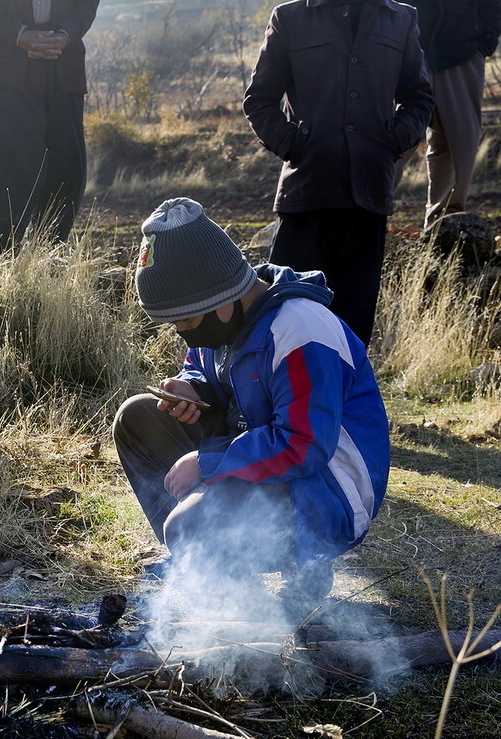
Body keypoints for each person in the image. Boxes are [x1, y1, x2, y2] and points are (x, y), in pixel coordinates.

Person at [114, 198, 390, 605]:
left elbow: (304, 446)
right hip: (261, 458)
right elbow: (206, 368)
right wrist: (194, 388)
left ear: (224, 297)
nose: (182, 333)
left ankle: (300, 563)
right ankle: (209, 565)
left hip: (324, 488)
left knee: (189, 528)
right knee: (136, 418)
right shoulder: (223, 317)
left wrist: (206, 463)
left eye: (186, 321)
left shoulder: (300, 330)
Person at [243, 0, 433, 346]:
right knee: (283, 321)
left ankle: (346, 401)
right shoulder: (291, 17)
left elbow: (419, 98)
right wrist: (295, 144)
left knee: (352, 329)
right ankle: (284, 400)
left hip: (369, 194)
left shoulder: (400, 18)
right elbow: (258, 99)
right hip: (306, 192)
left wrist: (391, 142)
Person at [0, 0, 99, 257]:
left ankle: (52, 250)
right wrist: (20, 36)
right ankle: (3, 249)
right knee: (6, 158)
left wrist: (64, 36)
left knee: (66, 160)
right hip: (4, 65)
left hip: (63, 61)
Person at [402, 0, 501, 226]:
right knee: (393, 139)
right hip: (409, 48)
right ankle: (369, 217)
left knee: (458, 144)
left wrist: (485, 41)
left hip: (462, 51)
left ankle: (444, 228)